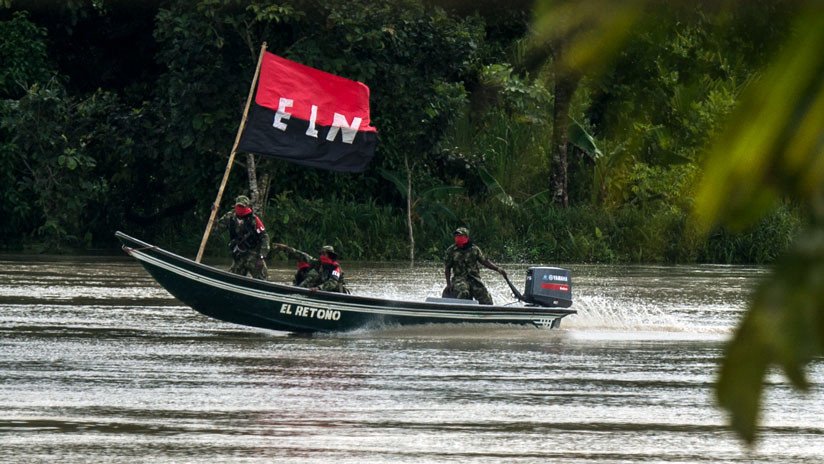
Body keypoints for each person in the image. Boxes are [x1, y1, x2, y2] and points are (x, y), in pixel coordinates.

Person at [443, 227, 507, 305]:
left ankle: (487, 313)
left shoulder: (474, 249)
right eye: (456, 236)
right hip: (459, 279)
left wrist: (498, 269)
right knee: (463, 292)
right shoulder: (451, 250)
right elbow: (447, 268)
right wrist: (448, 284)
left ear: (466, 237)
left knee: (484, 296)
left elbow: (485, 261)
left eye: (460, 236)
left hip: (474, 278)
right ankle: (464, 311)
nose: (457, 238)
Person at [215, 195, 270, 280]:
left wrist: (261, 257)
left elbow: (265, 237)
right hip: (239, 256)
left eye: (242, 206)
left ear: (247, 207)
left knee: (264, 281)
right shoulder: (230, 216)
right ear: (235, 206)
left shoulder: (253, 220)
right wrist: (215, 214)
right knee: (231, 280)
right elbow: (217, 229)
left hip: (254, 256)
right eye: (238, 206)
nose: (240, 208)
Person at [273, 243, 348, 293]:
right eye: (321, 254)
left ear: (330, 255)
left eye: (324, 254)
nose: (322, 256)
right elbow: (301, 255)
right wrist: (285, 248)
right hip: (319, 291)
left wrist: (318, 288)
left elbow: (332, 283)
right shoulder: (317, 263)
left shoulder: (335, 268)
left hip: (334, 294)